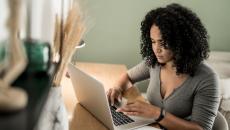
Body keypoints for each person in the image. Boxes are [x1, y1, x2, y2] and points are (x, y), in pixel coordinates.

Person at [107, 3, 220, 130]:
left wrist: (157, 114)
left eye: (163, 42)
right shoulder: (155, 63)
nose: (156, 49)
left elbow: (201, 129)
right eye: (153, 41)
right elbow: (127, 76)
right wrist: (117, 88)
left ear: (180, 41)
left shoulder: (207, 79)